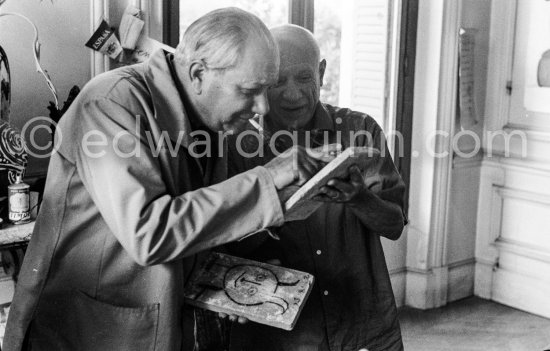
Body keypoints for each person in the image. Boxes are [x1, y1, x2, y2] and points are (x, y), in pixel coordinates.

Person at [3, 10, 335, 351]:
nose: (263, 107)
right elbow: (149, 233)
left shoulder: (209, 117)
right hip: (89, 330)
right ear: (198, 73)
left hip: (161, 323)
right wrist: (266, 179)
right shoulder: (110, 103)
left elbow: (197, 225)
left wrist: (228, 281)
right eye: (250, 90)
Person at [227, 24, 407, 351]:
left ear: (321, 73)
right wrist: (276, 211)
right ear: (261, 80)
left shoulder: (361, 130)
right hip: (281, 334)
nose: (292, 94)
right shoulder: (237, 144)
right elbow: (221, 247)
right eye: (278, 81)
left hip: (362, 327)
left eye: (304, 78)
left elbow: (394, 225)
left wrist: (360, 199)